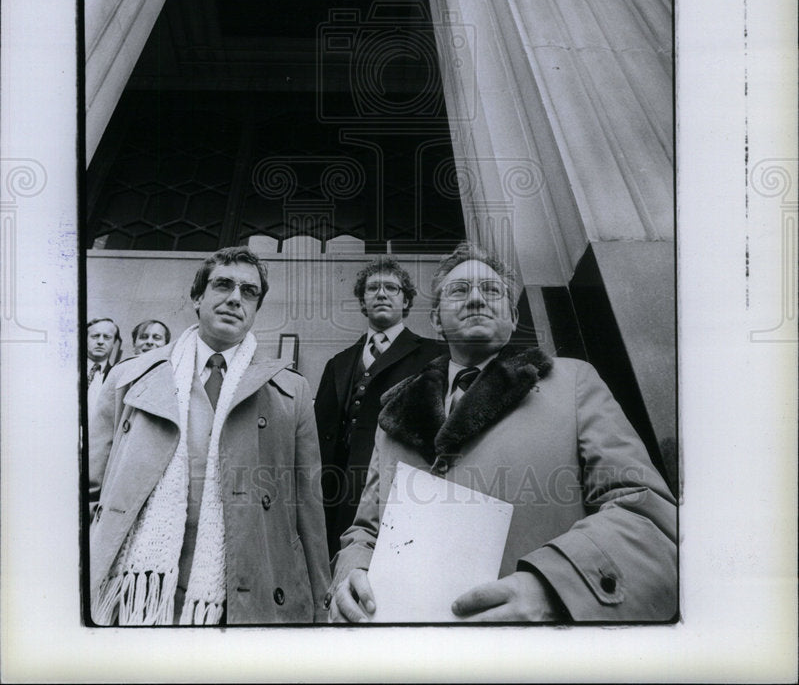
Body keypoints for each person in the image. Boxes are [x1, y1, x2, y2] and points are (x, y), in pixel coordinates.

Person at [328, 241, 677, 623]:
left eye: (491, 290)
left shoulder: (573, 382)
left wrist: (556, 589)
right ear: (436, 321)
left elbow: (646, 515)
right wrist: (351, 574)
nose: (476, 299)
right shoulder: (393, 414)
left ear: (513, 318)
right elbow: (364, 530)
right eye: (459, 290)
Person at [89, 246, 329, 625]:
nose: (235, 298)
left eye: (249, 292)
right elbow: (92, 487)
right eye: (223, 285)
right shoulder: (130, 378)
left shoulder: (291, 392)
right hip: (139, 589)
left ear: (255, 310)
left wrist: (320, 606)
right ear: (198, 296)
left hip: (251, 584)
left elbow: (308, 508)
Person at [314, 256, 442, 559]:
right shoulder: (339, 362)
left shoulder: (435, 354)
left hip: (399, 488)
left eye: (391, 288)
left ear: (406, 300)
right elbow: (320, 432)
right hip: (335, 492)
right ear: (363, 301)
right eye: (372, 289)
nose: (381, 294)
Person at [86, 318, 123, 418]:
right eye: (95, 336)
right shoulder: (69, 371)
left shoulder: (117, 377)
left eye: (107, 337)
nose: (100, 342)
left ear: (114, 343)